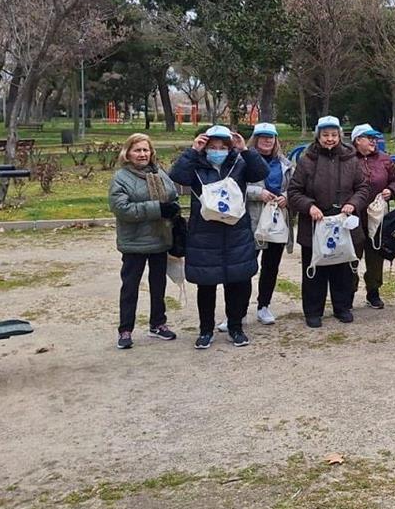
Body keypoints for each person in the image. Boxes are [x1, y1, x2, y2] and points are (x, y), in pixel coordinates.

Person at [169, 124, 269, 350]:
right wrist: (193, 152)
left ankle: (236, 327)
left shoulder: (239, 163)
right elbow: (177, 176)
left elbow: (261, 173)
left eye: (222, 146)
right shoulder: (196, 166)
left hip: (236, 233)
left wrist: (246, 150)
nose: (217, 150)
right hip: (205, 235)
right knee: (207, 285)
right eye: (212, 146)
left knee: (238, 284)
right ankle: (206, 329)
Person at [286, 116, 371, 328]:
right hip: (316, 223)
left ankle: (342, 307)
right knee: (314, 269)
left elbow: (363, 188)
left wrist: (353, 203)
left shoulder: (351, 159)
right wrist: (309, 206)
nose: (330, 139)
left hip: (343, 223)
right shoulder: (307, 160)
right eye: (325, 135)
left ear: (340, 136)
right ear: (318, 136)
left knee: (342, 269)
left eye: (334, 135)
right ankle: (313, 311)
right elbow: (294, 191)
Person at [108, 133, 180, 349]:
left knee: (159, 284)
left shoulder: (159, 173)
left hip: (160, 237)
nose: (142, 154)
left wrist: (172, 208)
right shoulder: (121, 178)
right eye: (137, 150)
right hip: (135, 241)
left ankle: (158, 323)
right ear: (128, 153)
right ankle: (125, 329)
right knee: (130, 286)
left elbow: (171, 195)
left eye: (146, 150)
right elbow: (122, 209)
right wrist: (157, 209)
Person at [240, 122, 295, 328]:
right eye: (262, 136)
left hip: (277, 222)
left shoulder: (285, 164)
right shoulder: (243, 162)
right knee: (245, 268)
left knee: (271, 266)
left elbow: (296, 187)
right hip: (252, 222)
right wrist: (257, 193)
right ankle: (239, 310)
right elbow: (235, 189)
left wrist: (286, 197)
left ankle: (264, 305)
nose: (267, 140)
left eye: (271, 136)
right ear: (255, 139)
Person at [350, 123, 395, 310]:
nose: (373, 141)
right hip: (354, 214)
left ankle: (373, 290)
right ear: (357, 141)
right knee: (352, 255)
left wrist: (391, 190)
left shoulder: (385, 160)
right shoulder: (348, 159)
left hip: (378, 215)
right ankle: (348, 290)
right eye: (368, 138)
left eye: (374, 137)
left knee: (376, 254)